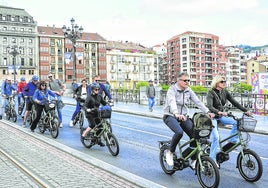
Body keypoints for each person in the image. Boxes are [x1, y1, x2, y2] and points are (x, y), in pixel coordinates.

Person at [163, 72, 214, 167]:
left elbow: (197, 102)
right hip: (170, 115)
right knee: (179, 132)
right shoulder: (172, 89)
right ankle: (170, 151)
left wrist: (207, 112)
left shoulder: (188, 90)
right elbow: (171, 101)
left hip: (183, 116)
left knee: (195, 134)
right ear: (178, 81)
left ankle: (193, 159)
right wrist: (176, 113)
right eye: (185, 80)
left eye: (188, 80)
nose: (187, 82)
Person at [206, 75, 252, 163]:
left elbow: (235, 102)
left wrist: (246, 110)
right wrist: (219, 112)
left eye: (224, 82)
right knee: (216, 137)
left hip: (221, 116)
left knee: (236, 122)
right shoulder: (210, 92)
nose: (224, 83)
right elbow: (210, 106)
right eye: (222, 82)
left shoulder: (224, 92)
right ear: (217, 83)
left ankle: (232, 141)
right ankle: (212, 160)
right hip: (212, 117)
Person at [81, 82, 108, 146]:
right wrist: (87, 109)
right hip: (89, 113)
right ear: (93, 90)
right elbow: (85, 105)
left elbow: (104, 103)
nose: (97, 91)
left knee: (100, 127)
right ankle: (83, 135)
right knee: (92, 125)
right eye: (96, 89)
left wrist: (109, 104)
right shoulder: (89, 97)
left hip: (96, 113)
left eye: (98, 89)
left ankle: (98, 140)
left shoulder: (99, 96)